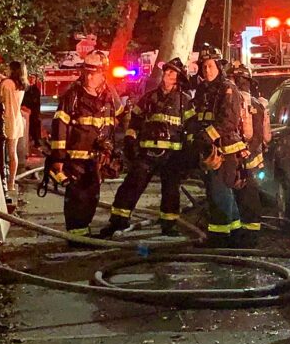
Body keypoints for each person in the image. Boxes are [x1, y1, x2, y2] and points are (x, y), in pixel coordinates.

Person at [104, 58, 194, 237]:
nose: (167, 74)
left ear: (178, 78)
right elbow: (135, 120)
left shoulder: (184, 101)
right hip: (147, 152)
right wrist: (130, 138)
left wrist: (189, 153)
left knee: (170, 190)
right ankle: (118, 221)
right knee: (131, 186)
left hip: (172, 155)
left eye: (172, 72)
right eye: (166, 71)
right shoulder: (149, 97)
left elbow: (191, 127)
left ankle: (169, 224)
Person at [50, 53, 124, 236]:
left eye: (94, 74)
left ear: (103, 74)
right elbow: (59, 126)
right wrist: (58, 158)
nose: (89, 77)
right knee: (77, 196)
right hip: (75, 158)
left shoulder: (109, 95)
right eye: (87, 73)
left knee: (92, 195)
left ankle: (82, 231)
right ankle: (76, 234)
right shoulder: (72, 96)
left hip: (97, 159)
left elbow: (120, 115)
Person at [192, 46, 249, 247]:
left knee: (219, 192)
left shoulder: (228, 89)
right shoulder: (202, 90)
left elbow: (229, 122)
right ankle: (235, 233)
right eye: (203, 67)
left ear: (218, 66)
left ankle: (220, 237)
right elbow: (195, 116)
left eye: (210, 66)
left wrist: (206, 136)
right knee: (219, 192)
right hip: (208, 148)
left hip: (225, 150)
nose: (206, 70)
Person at [231, 62, 268, 245]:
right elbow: (261, 135)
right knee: (250, 196)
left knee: (245, 197)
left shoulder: (236, 103)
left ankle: (248, 236)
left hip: (242, 158)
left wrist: (243, 155)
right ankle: (251, 233)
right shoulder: (257, 105)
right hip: (254, 159)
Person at [0, 61, 27, 194]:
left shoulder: (6, 84)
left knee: (3, 151)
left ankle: (3, 180)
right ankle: (11, 182)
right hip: (16, 119)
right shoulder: (21, 85)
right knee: (12, 152)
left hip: (6, 119)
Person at [23, 74, 43, 156]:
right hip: (25, 113)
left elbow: (35, 102)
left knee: (35, 128)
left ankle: (36, 144)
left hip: (34, 113)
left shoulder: (36, 90)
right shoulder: (25, 89)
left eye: (33, 78)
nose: (31, 79)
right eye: (30, 77)